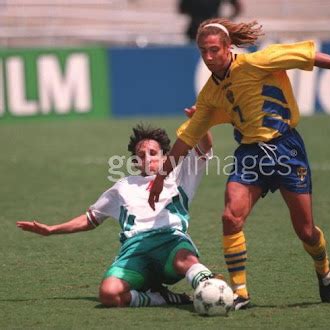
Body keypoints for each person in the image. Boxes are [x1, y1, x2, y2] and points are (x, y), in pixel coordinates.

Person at [148, 18, 330, 310]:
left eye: (213, 51)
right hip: (250, 154)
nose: (208, 58)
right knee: (230, 217)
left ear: (228, 48)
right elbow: (186, 140)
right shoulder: (209, 94)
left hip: (286, 148)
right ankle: (241, 293)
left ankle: (323, 269)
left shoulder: (259, 61)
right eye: (203, 52)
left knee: (306, 231)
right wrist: (160, 178)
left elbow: (307, 55)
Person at [16, 111, 216, 308]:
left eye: (153, 153)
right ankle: (162, 298)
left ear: (165, 156)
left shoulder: (179, 174)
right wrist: (51, 230)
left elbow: (204, 147)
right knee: (109, 294)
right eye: (141, 155)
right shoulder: (123, 186)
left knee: (185, 260)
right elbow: (91, 218)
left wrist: (200, 121)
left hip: (171, 241)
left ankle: (213, 287)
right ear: (135, 161)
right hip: (135, 251)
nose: (147, 158)